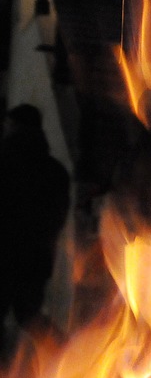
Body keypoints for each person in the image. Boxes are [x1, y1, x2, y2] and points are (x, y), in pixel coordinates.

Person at [0, 103, 71, 345]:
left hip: (6, 255)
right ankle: (66, 357)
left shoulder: (5, 164)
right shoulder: (56, 172)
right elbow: (57, 219)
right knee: (29, 315)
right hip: (36, 259)